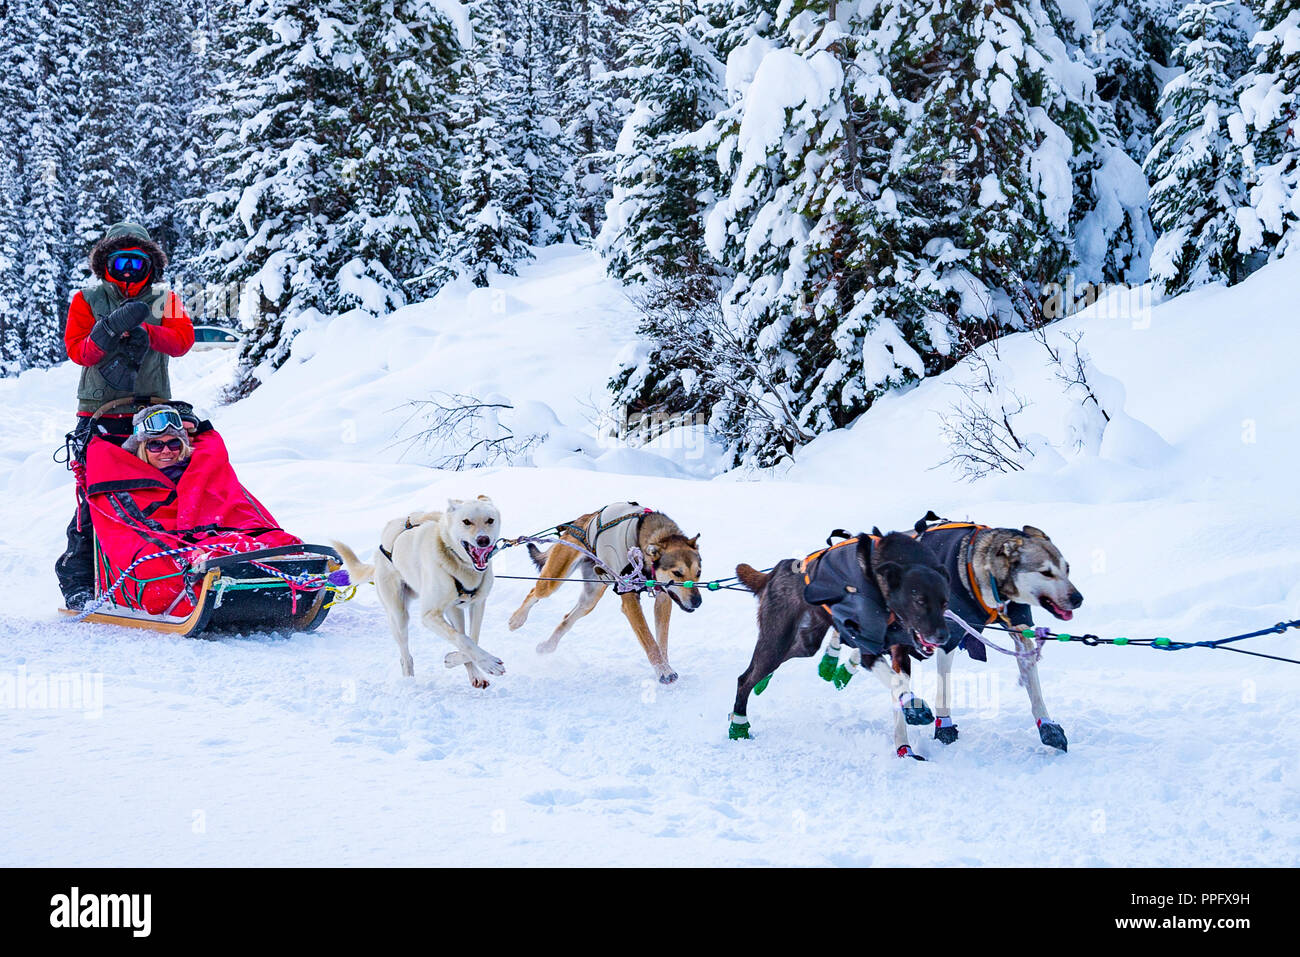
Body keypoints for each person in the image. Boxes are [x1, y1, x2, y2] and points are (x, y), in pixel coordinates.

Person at [55, 222, 196, 609]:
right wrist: (107, 332)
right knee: (96, 498)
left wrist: (147, 334)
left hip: (154, 412)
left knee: (160, 494)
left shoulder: (165, 299)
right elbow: (78, 350)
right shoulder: (86, 299)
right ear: (106, 264)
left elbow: (183, 340)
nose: (130, 270)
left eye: (138, 261)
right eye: (121, 261)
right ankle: (79, 579)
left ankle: (159, 571)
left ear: (151, 264)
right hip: (100, 413)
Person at [123, 405, 193, 482]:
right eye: (156, 445)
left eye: (174, 443)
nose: (166, 451)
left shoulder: (198, 475)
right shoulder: (127, 483)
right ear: (142, 449)